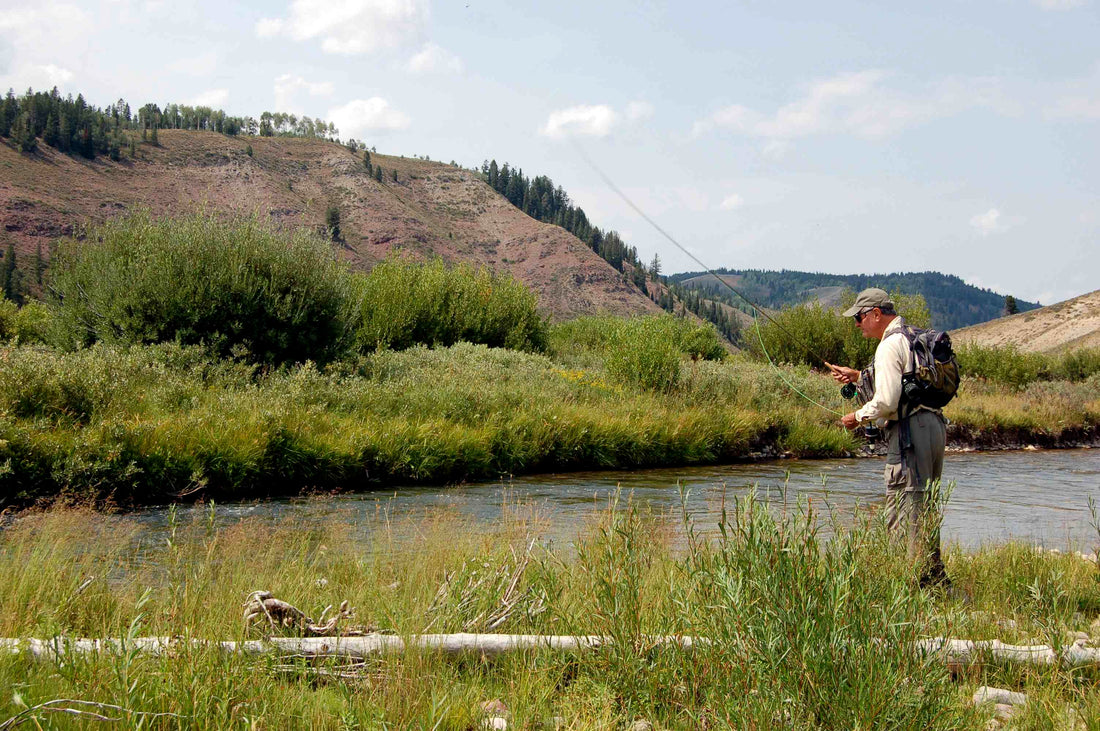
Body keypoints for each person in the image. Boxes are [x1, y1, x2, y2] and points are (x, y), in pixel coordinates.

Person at [825, 288, 950, 588]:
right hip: (933, 427)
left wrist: (856, 418)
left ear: (876, 314)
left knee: (905, 508)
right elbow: (904, 383)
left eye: (859, 317)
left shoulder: (888, 345)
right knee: (924, 506)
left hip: (910, 434)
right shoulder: (911, 336)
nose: (857, 324)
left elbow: (887, 402)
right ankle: (935, 581)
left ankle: (912, 587)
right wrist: (857, 377)